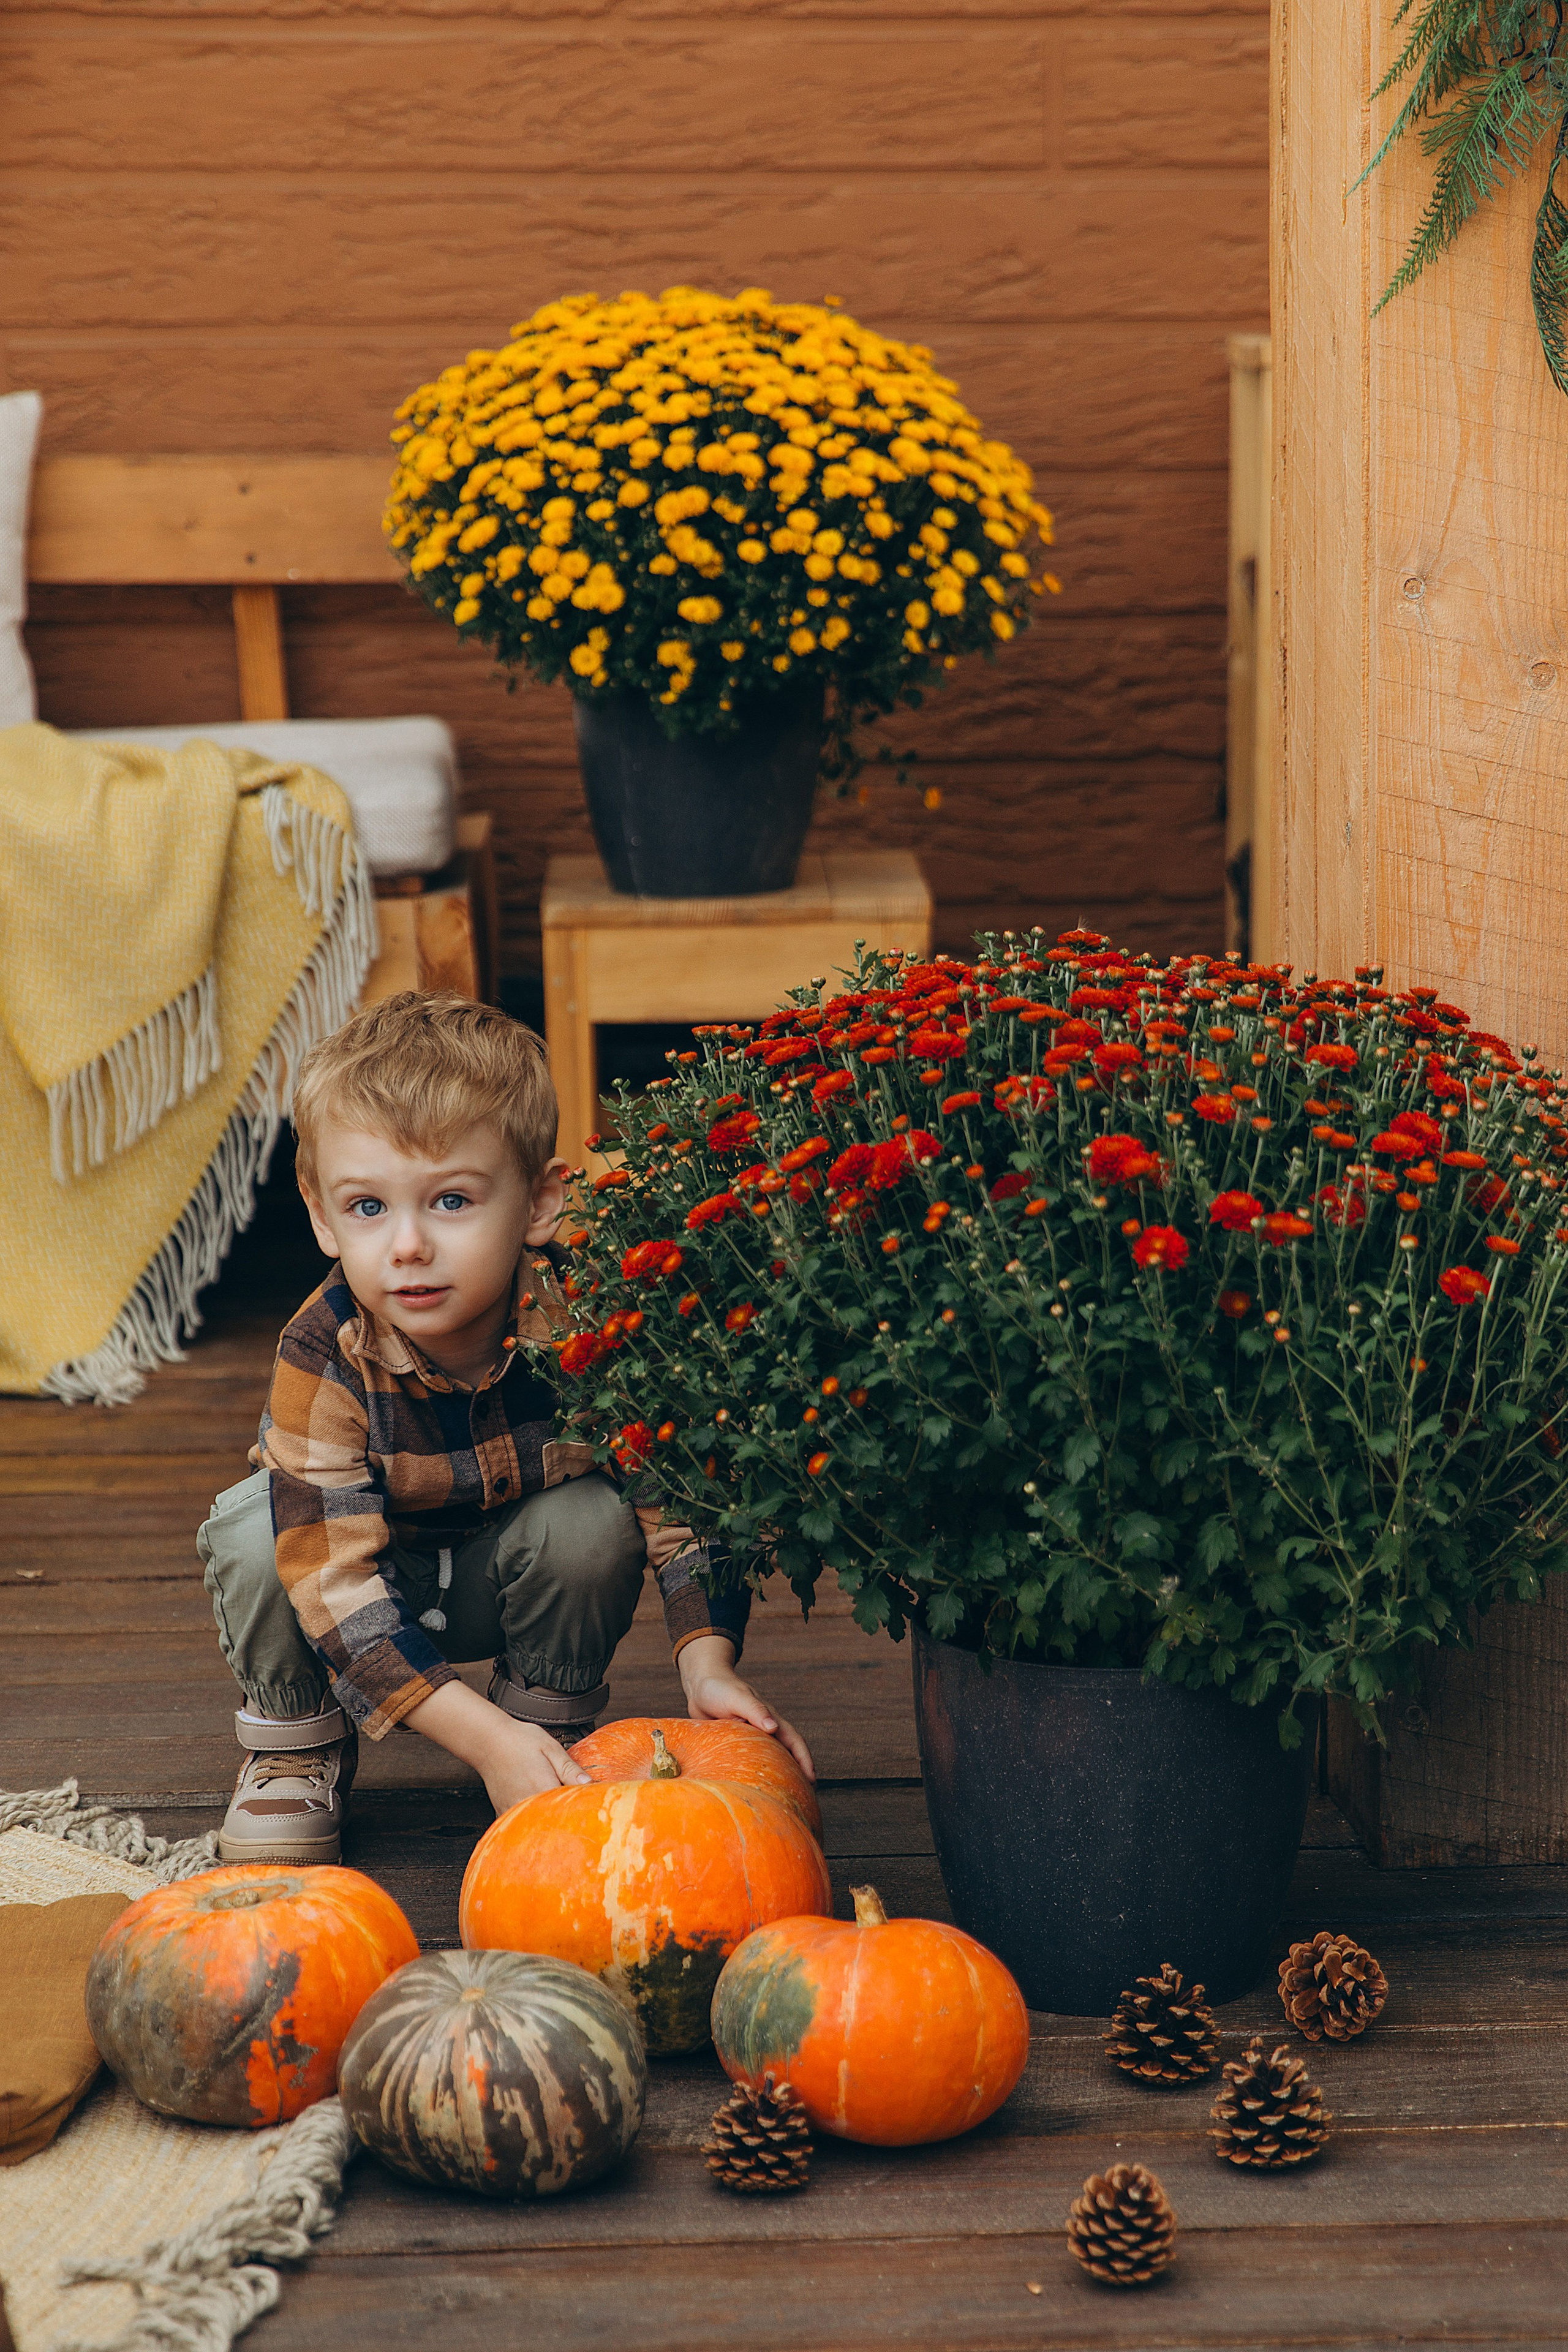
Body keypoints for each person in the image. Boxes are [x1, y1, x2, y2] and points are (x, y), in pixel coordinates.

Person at [199, 990, 813, 1866]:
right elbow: (334, 1585)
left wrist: (706, 1664)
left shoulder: (593, 1327)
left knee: (594, 1520)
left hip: (503, 1581)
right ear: (321, 1215)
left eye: (451, 1201)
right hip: (363, 1599)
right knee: (260, 1524)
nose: (407, 1245)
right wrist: (473, 1738)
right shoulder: (321, 1353)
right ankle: (296, 1744)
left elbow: (678, 1505)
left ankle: (541, 1726)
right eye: (368, 1207)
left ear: (539, 1204)